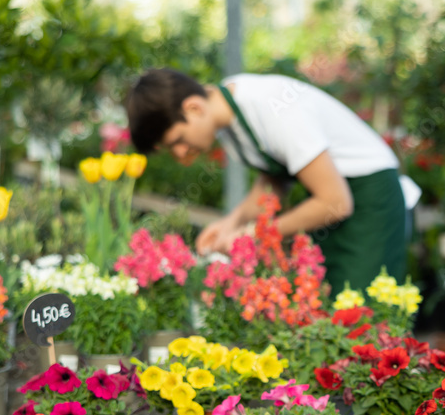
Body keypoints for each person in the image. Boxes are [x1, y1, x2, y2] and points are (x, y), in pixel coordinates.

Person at [125, 68, 408, 296]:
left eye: (178, 141)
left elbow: (335, 202)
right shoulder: (227, 119)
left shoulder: (272, 107)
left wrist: (254, 236)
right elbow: (273, 184)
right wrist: (230, 224)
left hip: (370, 201)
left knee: (362, 318)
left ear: (194, 108)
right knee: (330, 310)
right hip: (331, 205)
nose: (180, 154)